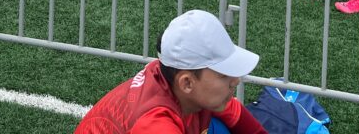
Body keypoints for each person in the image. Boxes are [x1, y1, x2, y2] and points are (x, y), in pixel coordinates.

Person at [75, 10, 265, 134]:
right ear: (187, 83)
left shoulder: (187, 84)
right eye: (223, 74)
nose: (235, 80)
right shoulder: (155, 125)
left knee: (222, 125)